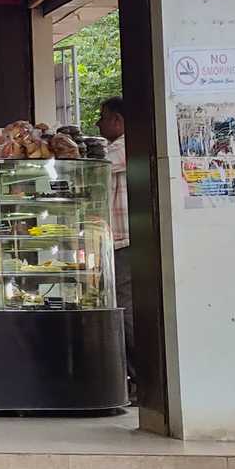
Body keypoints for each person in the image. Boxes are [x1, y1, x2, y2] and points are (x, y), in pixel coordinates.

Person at [97, 97, 133, 389]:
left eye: (102, 117)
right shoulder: (117, 148)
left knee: (125, 307)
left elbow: (98, 167)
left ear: (117, 120)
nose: (98, 123)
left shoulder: (123, 147)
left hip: (125, 243)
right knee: (122, 305)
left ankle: (138, 376)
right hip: (117, 243)